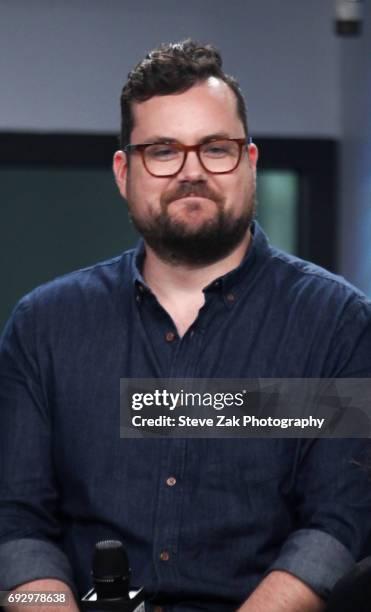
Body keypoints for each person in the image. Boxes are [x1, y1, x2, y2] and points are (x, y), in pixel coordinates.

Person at [0, 39, 371, 612]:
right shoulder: (43, 326)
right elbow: (16, 521)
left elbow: (338, 522)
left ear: (249, 162)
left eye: (216, 148)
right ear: (125, 172)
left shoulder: (338, 323)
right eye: (163, 150)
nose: (191, 172)